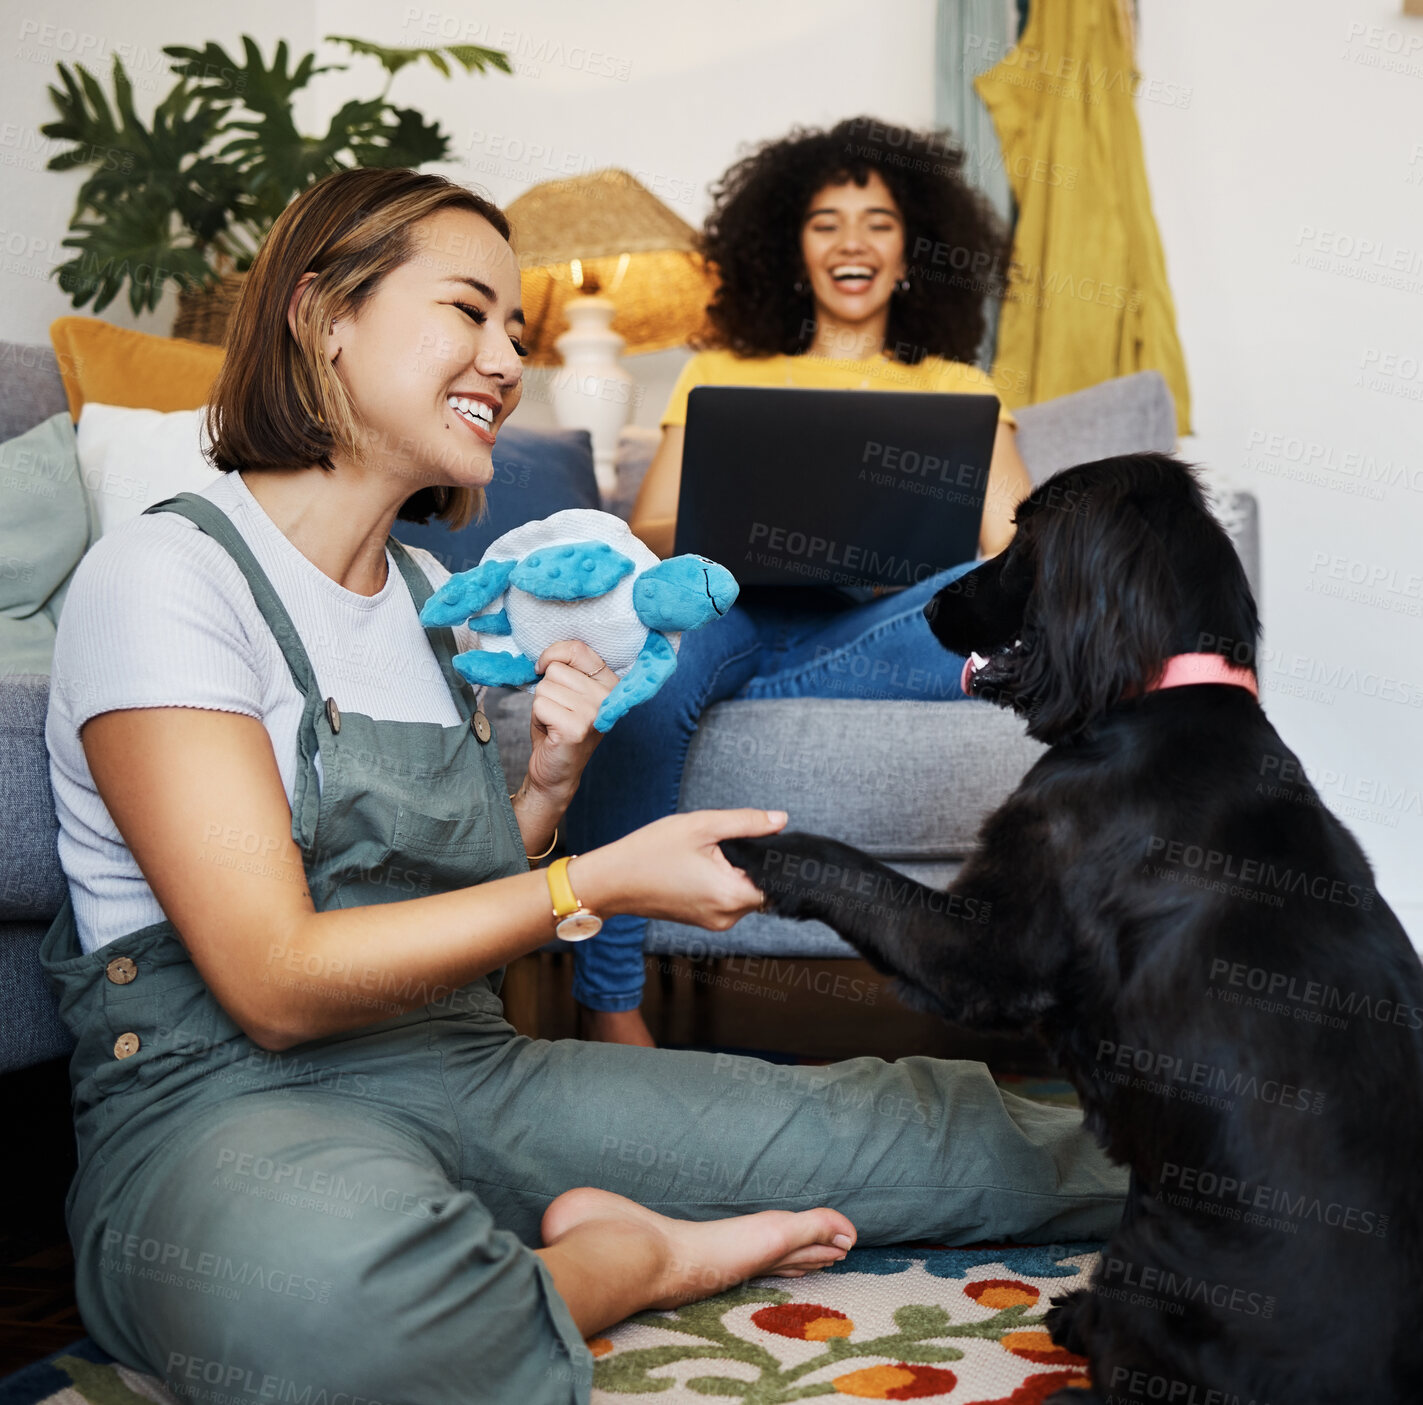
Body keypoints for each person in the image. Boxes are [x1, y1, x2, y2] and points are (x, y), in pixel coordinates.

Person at [40, 166, 1124, 1404]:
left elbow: (442, 906)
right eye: (468, 310)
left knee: (934, 1136)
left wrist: (549, 782)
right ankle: (627, 1256)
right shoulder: (166, 577)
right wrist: (589, 877)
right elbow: (277, 982)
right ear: (320, 315)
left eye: (516, 326)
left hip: (466, 1066)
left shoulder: (424, 600)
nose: (506, 357)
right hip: (218, 1109)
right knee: (356, 1320)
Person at [564, 117, 1032, 1046]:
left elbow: (1016, 560)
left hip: (884, 618)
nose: (851, 241)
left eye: (878, 222)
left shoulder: (956, 387)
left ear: (913, 253)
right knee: (649, 672)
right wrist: (744, 519)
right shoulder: (720, 370)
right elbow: (651, 530)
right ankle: (607, 1000)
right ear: (792, 248)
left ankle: (761, 684)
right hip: (734, 603)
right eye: (825, 222)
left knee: (1018, 618)